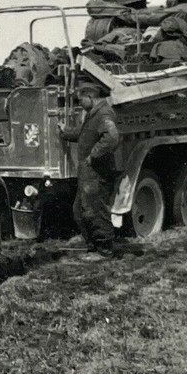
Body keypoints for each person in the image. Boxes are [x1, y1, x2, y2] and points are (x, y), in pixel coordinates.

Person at [61, 79, 121, 261]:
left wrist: (93, 154)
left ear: (89, 97)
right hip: (88, 172)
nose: (80, 104)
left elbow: (111, 137)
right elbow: (84, 134)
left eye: (81, 100)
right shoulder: (93, 113)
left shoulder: (103, 113)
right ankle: (93, 245)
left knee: (96, 210)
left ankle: (104, 251)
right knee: (80, 210)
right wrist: (65, 132)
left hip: (97, 172)